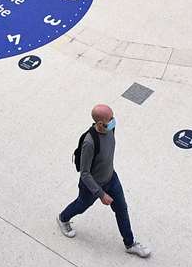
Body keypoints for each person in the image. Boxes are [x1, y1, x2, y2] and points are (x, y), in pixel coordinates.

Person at [57, 103, 152, 259]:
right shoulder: (90, 142)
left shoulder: (110, 128)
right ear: (100, 123)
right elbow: (85, 173)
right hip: (92, 186)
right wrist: (101, 194)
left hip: (111, 178)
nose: (114, 121)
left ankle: (130, 244)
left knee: (122, 209)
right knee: (81, 205)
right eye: (110, 119)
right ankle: (63, 218)